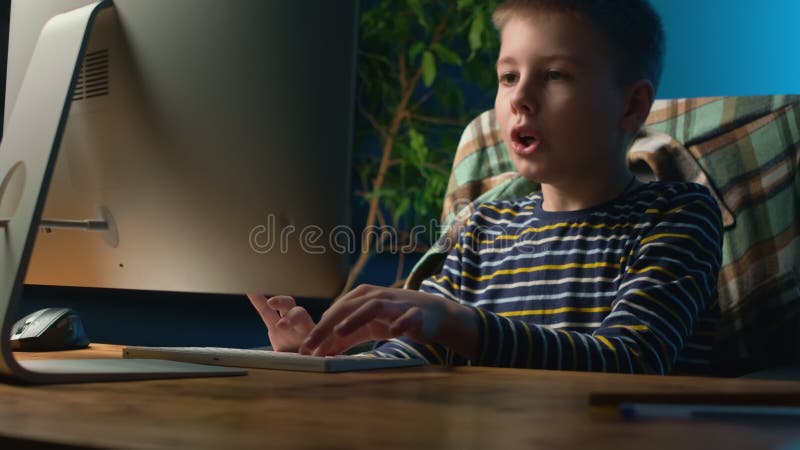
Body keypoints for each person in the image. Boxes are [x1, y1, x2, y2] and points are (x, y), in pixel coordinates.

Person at [248, 0, 722, 375]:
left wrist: (463, 326)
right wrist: (320, 362)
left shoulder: (678, 215)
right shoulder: (482, 226)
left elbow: (631, 361)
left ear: (631, 106)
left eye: (554, 75)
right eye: (508, 76)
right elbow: (414, 355)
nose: (520, 98)